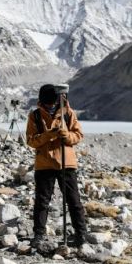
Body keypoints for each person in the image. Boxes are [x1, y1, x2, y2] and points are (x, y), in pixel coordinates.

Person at [26, 84, 87, 252]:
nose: (51, 106)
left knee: (74, 201)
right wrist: (49, 135)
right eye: (48, 104)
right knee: (42, 202)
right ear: (42, 101)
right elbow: (31, 140)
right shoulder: (35, 116)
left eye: (53, 103)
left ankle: (81, 235)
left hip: (66, 163)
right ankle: (39, 235)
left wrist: (67, 136)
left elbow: (78, 135)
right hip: (45, 164)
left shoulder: (68, 113)